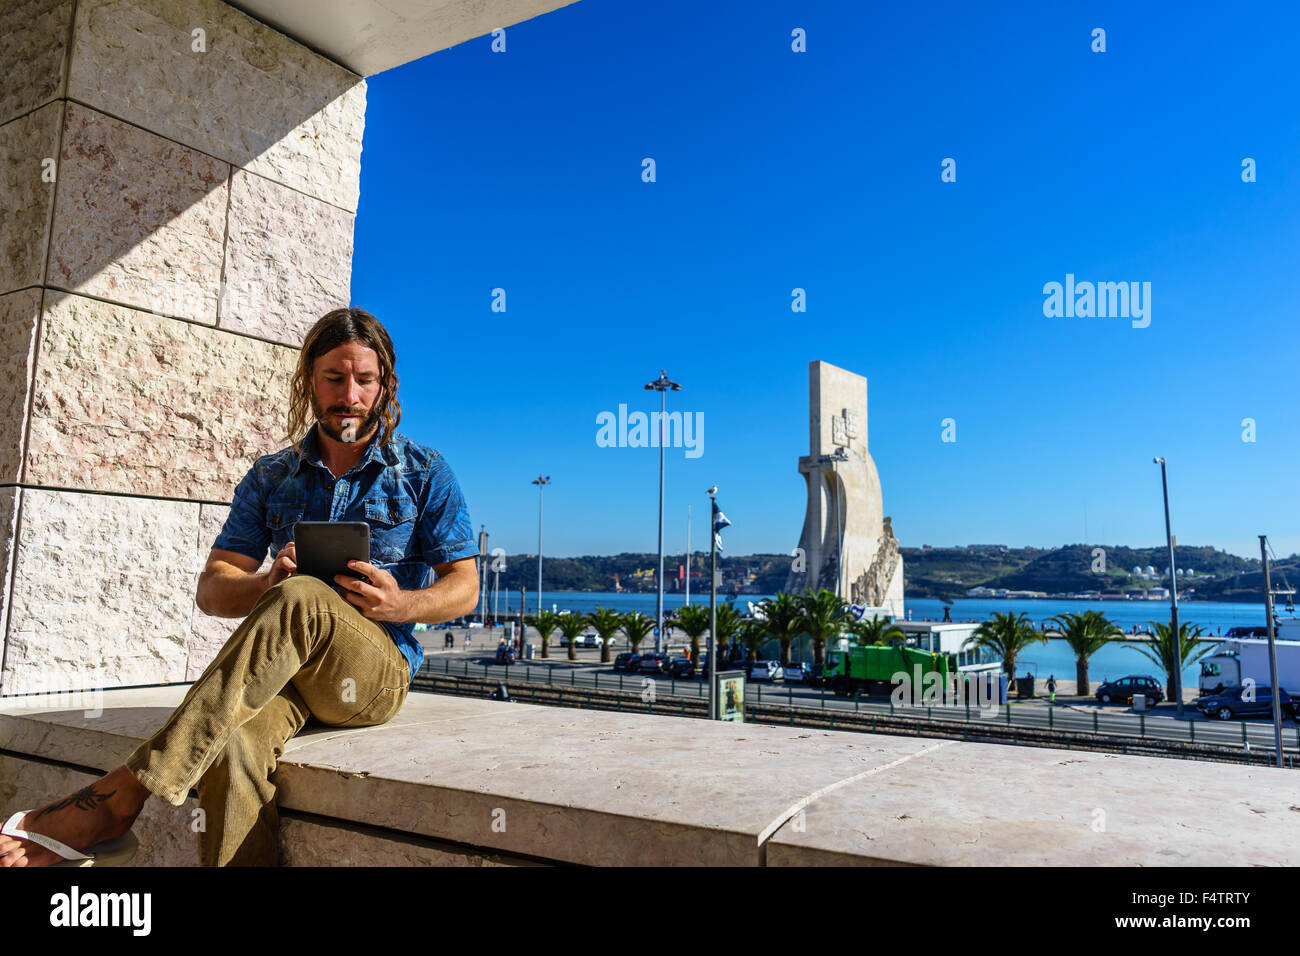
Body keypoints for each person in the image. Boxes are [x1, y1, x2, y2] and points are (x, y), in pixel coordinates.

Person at [0, 307, 480, 868]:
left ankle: (122, 797)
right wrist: (264, 584)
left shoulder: (424, 471)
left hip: (371, 673)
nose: (350, 394)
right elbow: (212, 590)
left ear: (385, 385)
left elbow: (465, 588)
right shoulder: (271, 475)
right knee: (230, 745)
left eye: (365, 380)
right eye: (334, 378)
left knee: (303, 599)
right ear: (308, 380)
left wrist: (399, 601)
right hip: (283, 676)